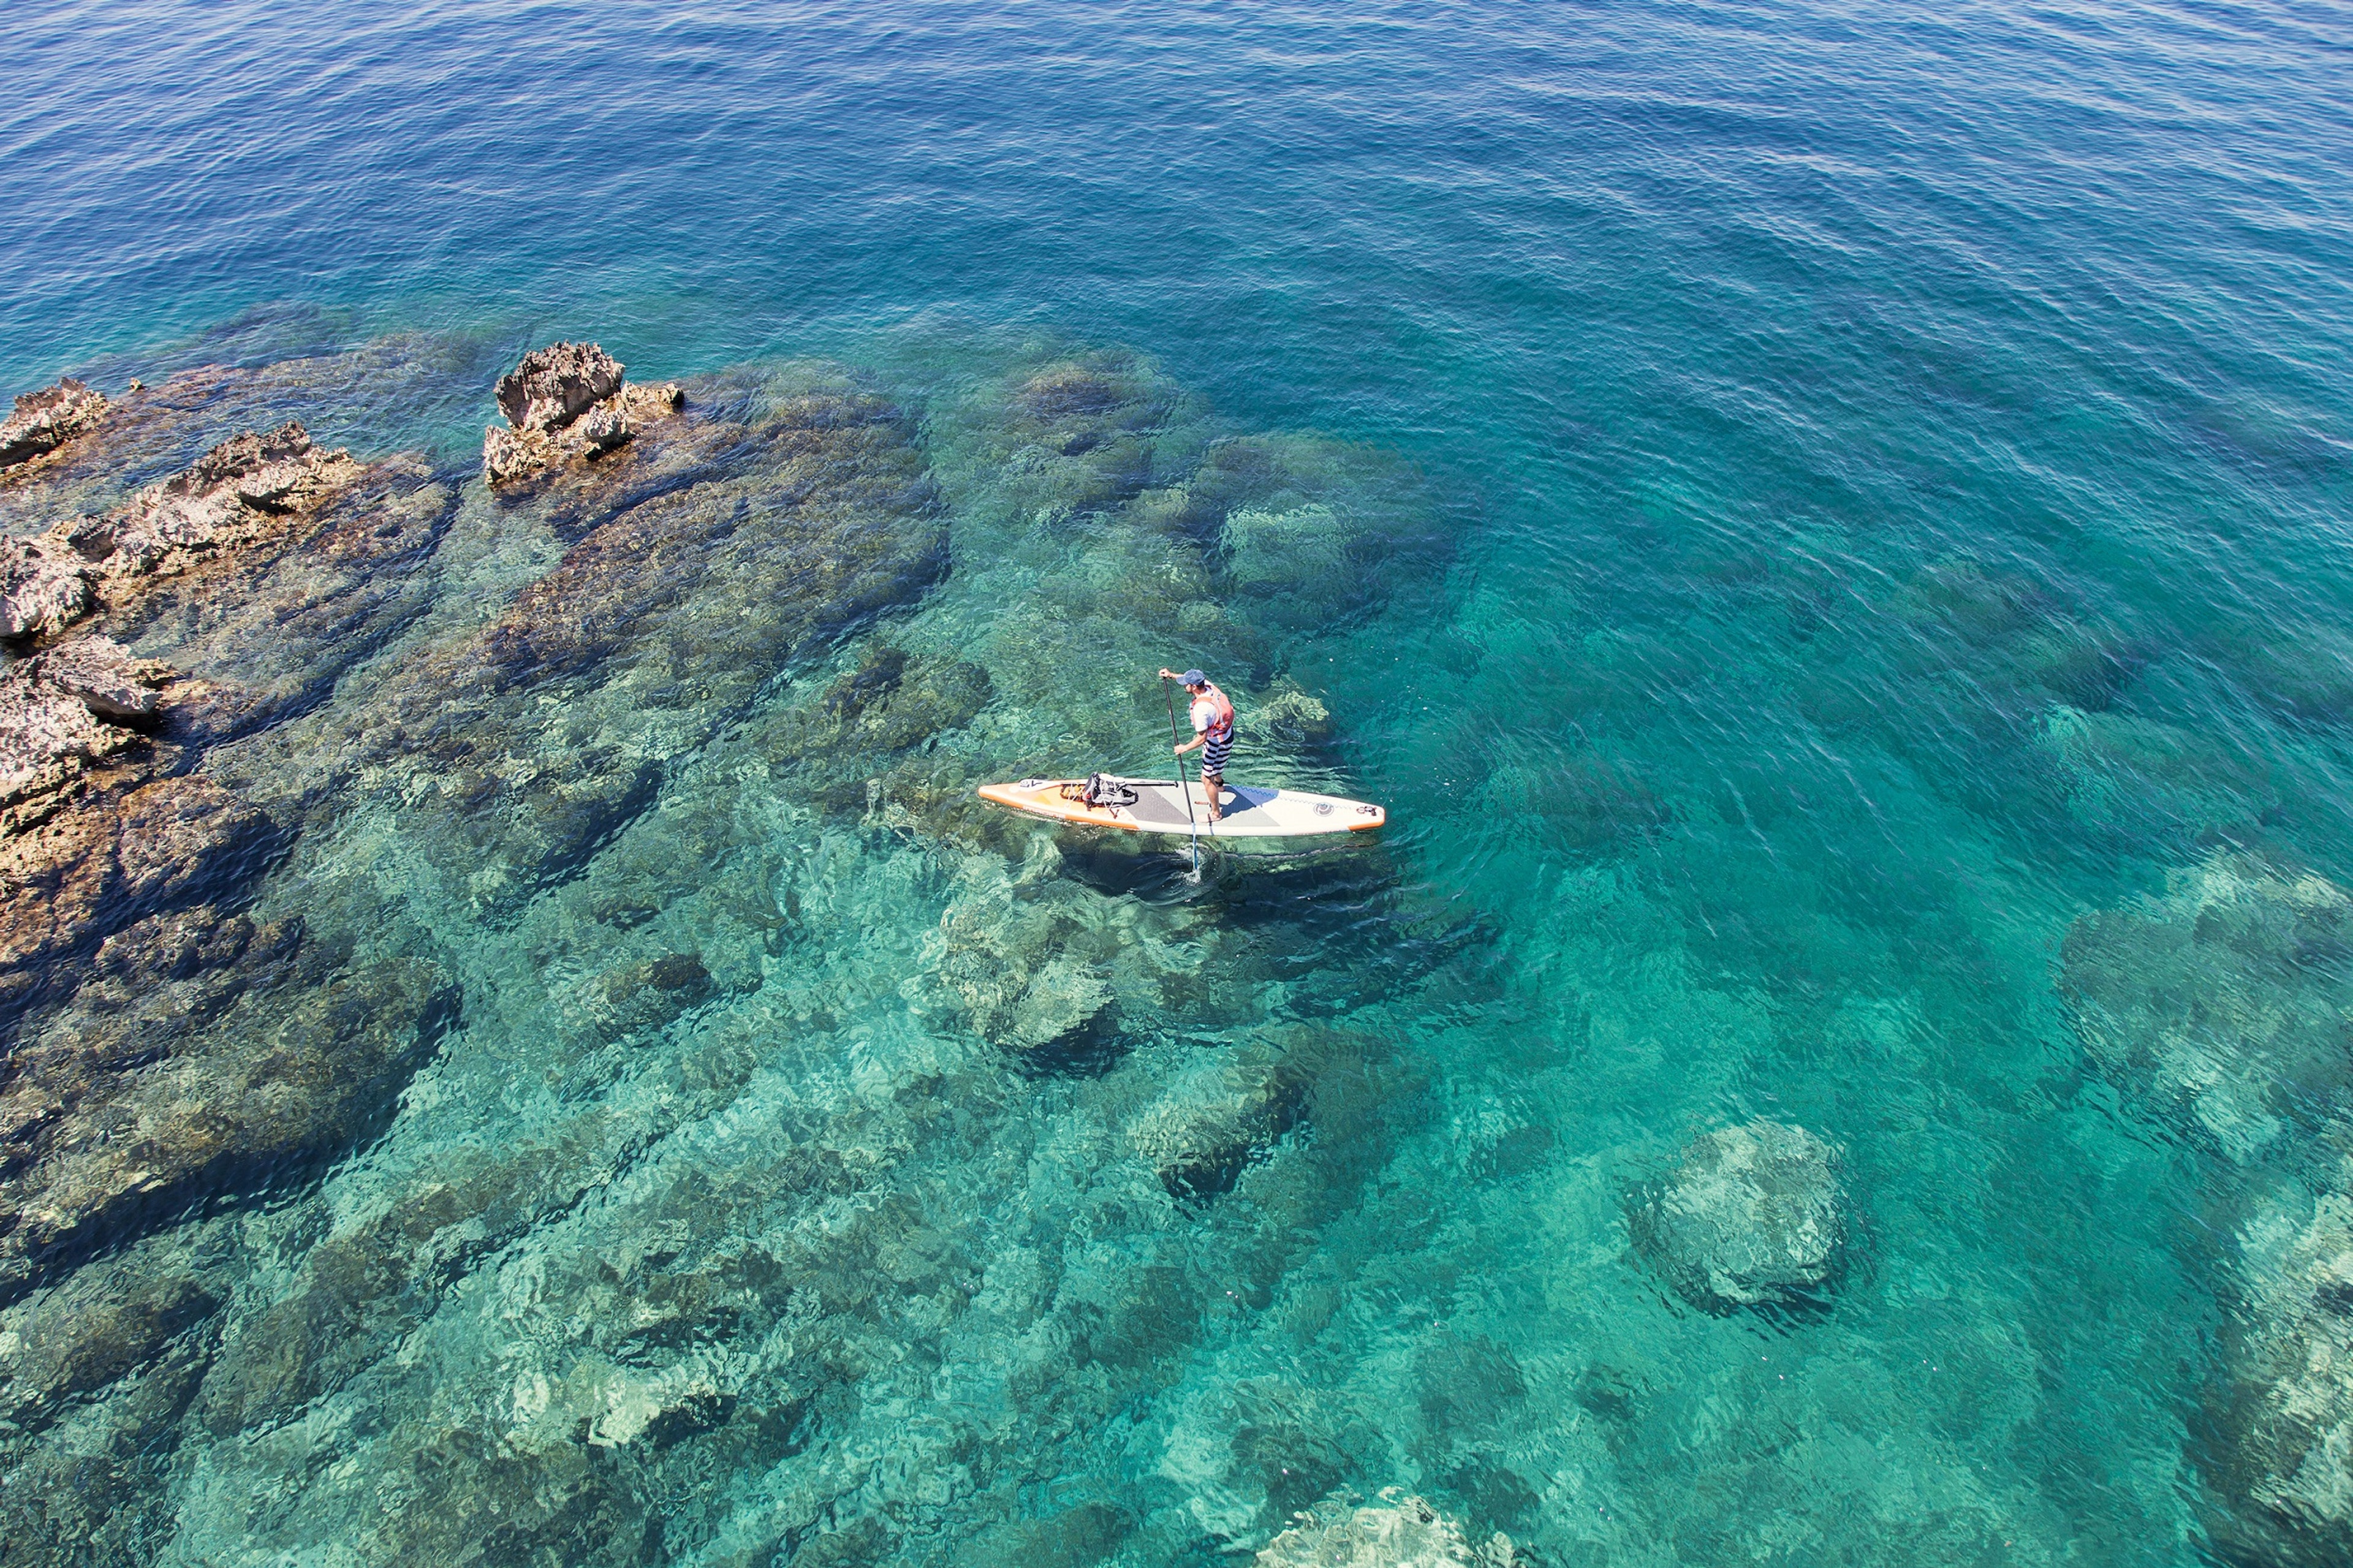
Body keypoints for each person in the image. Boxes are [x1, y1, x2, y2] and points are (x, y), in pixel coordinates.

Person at [1159, 667, 1235, 822]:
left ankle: (1216, 814)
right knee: (1216, 767)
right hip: (1227, 736)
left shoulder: (1202, 709)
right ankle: (1219, 786)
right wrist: (1171, 675)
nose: (1184, 686)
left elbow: (1202, 738)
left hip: (1216, 744)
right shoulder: (1209, 686)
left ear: (1194, 687)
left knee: (1206, 778)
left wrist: (1184, 748)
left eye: (1186, 684)